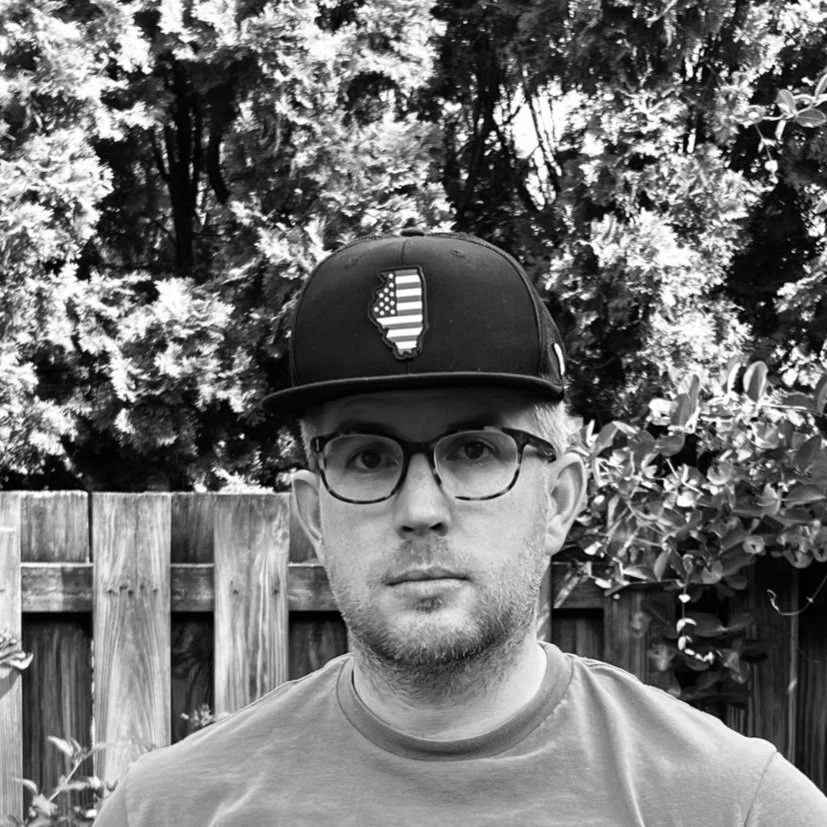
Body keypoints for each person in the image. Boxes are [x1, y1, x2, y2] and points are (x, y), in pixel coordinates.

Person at [96, 229, 827, 825]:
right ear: (313, 514)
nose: (420, 509)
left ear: (558, 500)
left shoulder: (736, 806)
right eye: (368, 456)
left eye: (475, 450)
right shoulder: (167, 810)